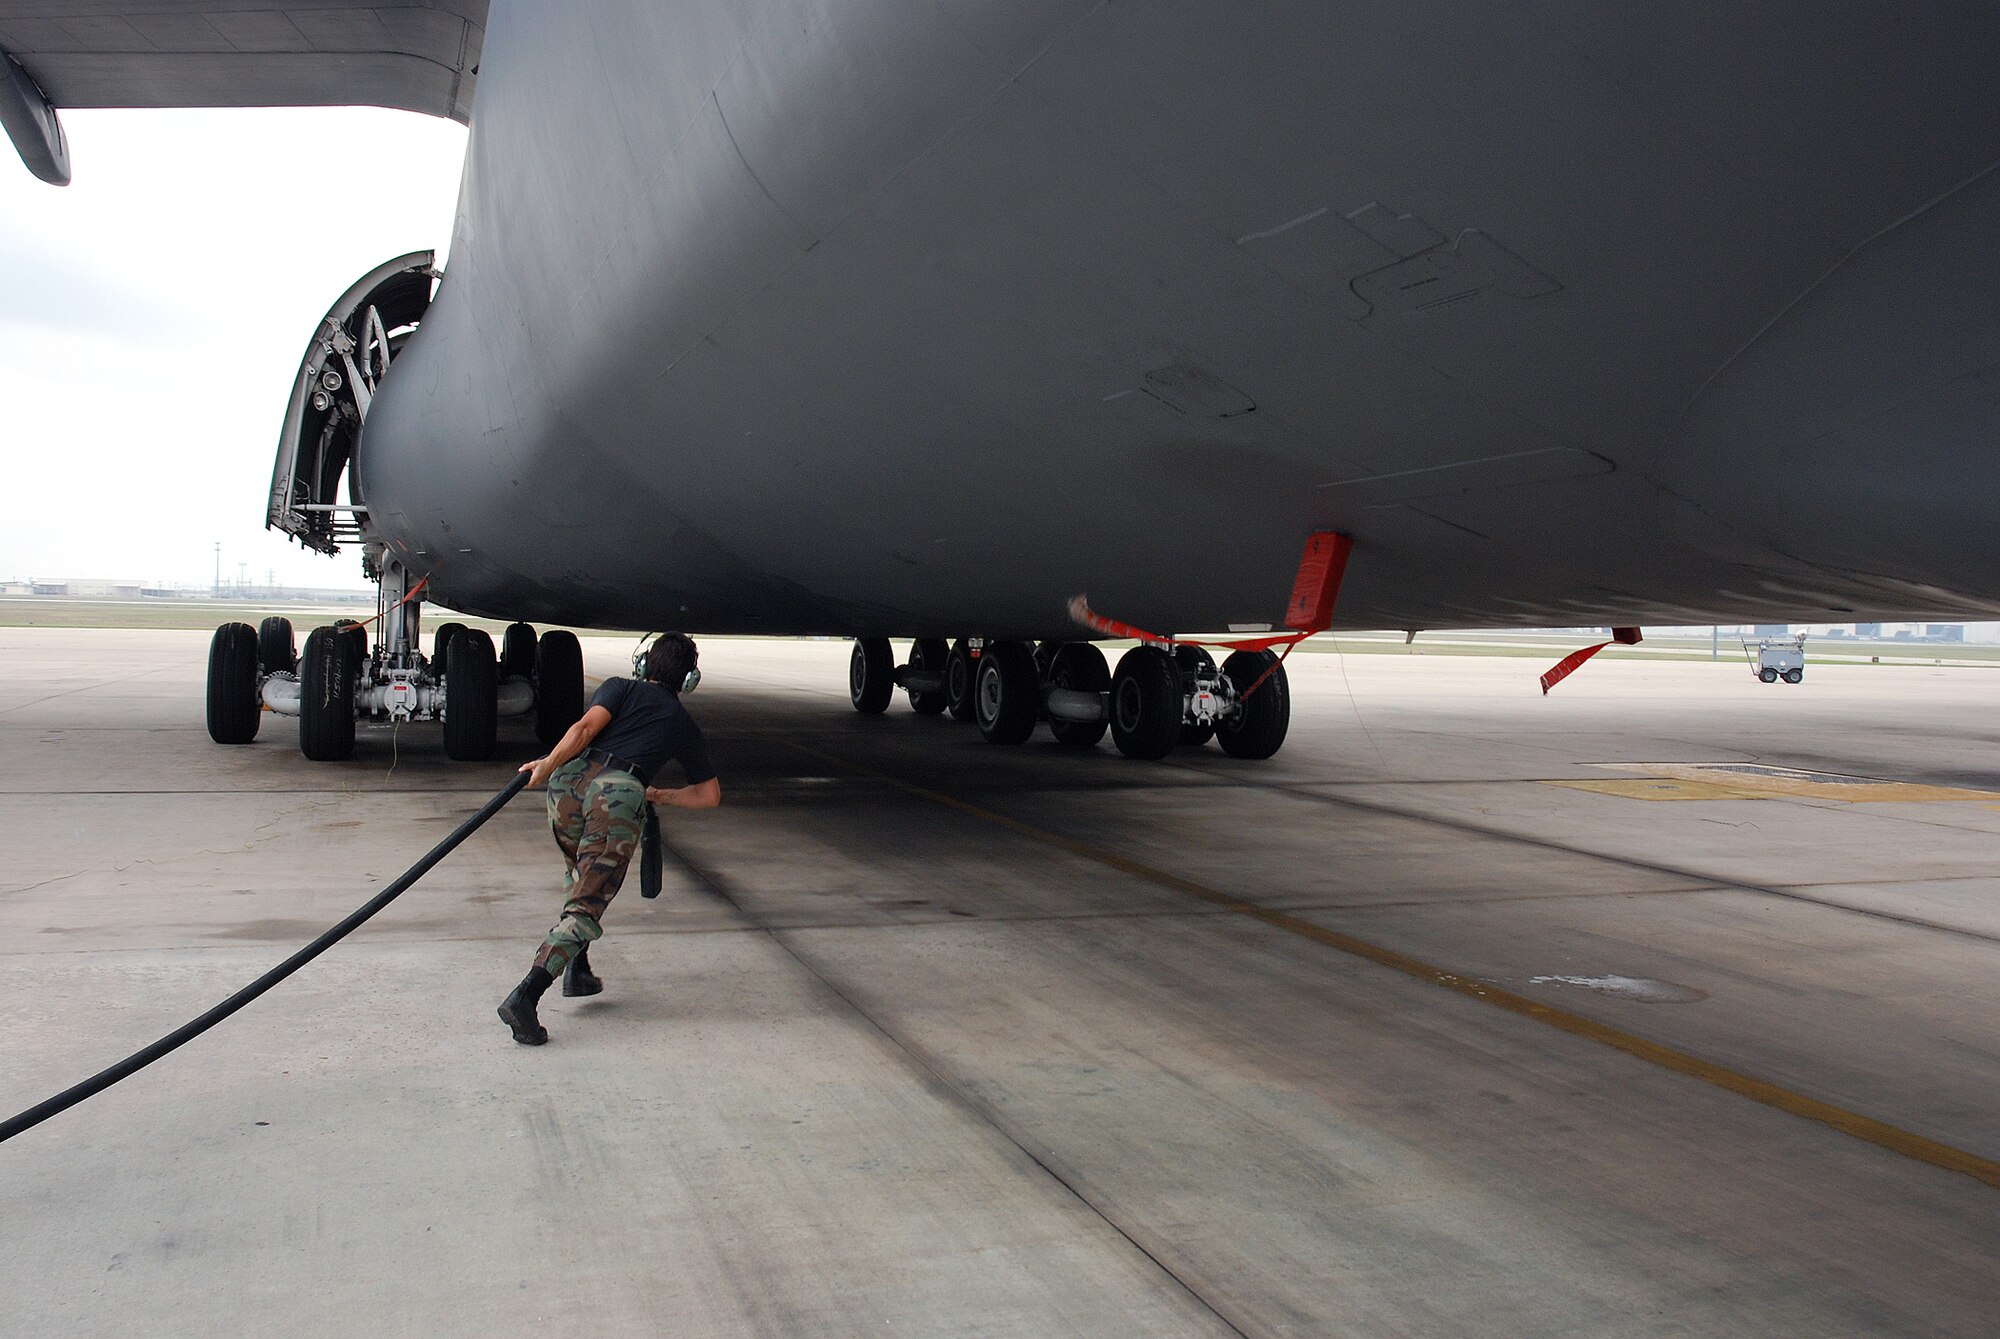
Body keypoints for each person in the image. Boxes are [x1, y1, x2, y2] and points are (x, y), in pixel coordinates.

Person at [499, 633, 720, 1044]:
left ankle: (577, 971)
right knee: (586, 904)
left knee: (579, 876)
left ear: (644, 664)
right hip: (615, 796)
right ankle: (526, 996)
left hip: (567, 786)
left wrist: (546, 766)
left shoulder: (619, 686)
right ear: (689, 679)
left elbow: (583, 731)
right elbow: (709, 796)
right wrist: (658, 795)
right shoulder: (681, 723)